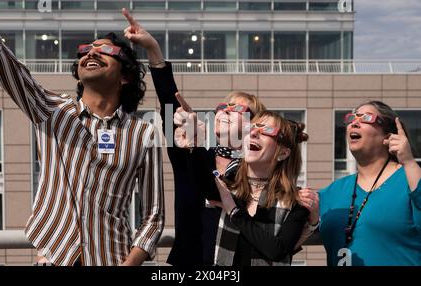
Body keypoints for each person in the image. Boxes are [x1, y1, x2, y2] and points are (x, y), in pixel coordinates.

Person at [0, 2, 164, 266]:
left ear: (126, 76)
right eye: (85, 50)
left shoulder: (143, 133)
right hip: (53, 260)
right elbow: (1, 59)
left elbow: (154, 216)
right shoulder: (52, 111)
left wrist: (130, 265)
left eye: (105, 50)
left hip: (111, 258)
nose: (90, 53)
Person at [122, 9, 266, 265]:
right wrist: (153, 51)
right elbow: (169, 107)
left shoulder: (256, 170)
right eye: (222, 107)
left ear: (253, 125)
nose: (224, 111)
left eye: (237, 109)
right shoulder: (191, 153)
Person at [319, 101, 421, 266]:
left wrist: (409, 161)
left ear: (388, 137)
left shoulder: (409, 178)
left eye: (366, 118)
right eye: (352, 117)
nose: (354, 122)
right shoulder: (332, 192)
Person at [213, 110, 310, 265]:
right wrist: (191, 143)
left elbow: (277, 251)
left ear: (283, 153)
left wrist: (234, 211)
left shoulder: (296, 199)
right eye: (251, 127)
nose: (254, 133)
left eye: (267, 131)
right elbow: (192, 170)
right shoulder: (228, 185)